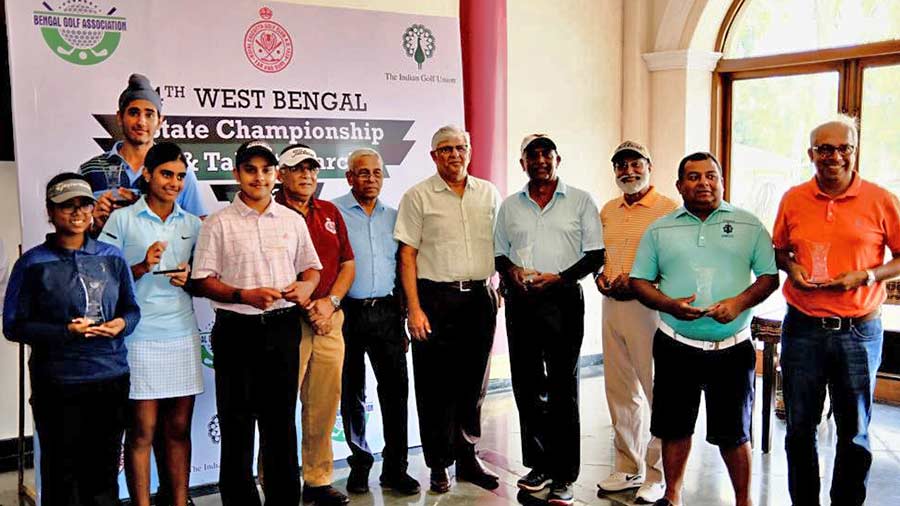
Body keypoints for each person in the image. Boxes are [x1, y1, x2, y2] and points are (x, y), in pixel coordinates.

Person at [629, 152, 779, 506]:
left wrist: (739, 303)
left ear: (722, 181)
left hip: (732, 348)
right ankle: (673, 495)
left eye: (711, 176)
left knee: (734, 433)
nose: (703, 183)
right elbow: (639, 281)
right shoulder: (660, 228)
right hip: (675, 344)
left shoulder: (749, 225)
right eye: (693, 177)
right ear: (680, 186)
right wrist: (669, 304)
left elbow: (769, 277)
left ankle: (743, 500)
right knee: (674, 427)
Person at [772, 115, 900, 506]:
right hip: (802, 327)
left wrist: (865, 276)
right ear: (811, 153)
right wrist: (791, 268)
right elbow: (780, 249)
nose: (834, 156)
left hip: (859, 330)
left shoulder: (880, 199)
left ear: (854, 151)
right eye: (825, 149)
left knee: (854, 430)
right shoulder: (794, 198)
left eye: (843, 148)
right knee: (798, 428)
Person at [191, 140, 321, 506]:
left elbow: (311, 267)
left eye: (266, 170)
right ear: (237, 174)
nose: (259, 177)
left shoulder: (292, 220)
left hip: (283, 328)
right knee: (236, 426)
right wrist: (241, 295)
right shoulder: (218, 223)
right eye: (250, 169)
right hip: (236, 329)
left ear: (276, 175)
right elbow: (202, 280)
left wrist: (307, 286)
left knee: (280, 425)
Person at [3, 173, 140, 506]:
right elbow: (13, 326)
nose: (77, 213)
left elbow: (132, 311)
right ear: (50, 212)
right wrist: (65, 332)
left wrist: (120, 323)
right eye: (67, 206)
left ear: (93, 209)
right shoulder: (33, 263)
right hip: (58, 384)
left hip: (109, 379)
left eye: (84, 205)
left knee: (104, 473)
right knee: (62, 477)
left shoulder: (112, 256)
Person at [494, 134, 604, 506]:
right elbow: (499, 253)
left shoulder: (581, 201)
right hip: (522, 302)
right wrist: (512, 274)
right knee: (526, 385)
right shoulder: (510, 206)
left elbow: (594, 255)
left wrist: (559, 278)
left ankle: (564, 474)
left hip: (563, 300)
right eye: (532, 155)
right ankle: (538, 465)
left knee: (562, 388)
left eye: (546, 154)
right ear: (522, 163)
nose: (540, 160)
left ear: (559, 159)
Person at [394, 125, 501, 494]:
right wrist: (414, 309)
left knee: (473, 385)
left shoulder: (487, 193)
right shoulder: (418, 196)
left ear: (469, 151)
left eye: (461, 147)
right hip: (434, 300)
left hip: (479, 300)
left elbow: (500, 244)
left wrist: (496, 288)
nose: (455, 154)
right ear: (434, 156)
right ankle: (439, 463)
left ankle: (468, 458)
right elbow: (407, 255)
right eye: (446, 149)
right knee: (434, 386)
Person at [98, 142, 203, 506]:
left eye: (179, 177)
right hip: (139, 337)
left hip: (182, 333)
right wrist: (142, 267)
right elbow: (103, 280)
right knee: (141, 432)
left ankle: (178, 501)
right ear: (147, 174)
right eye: (166, 174)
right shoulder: (122, 219)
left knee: (178, 430)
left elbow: (204, 279)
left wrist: (189, 278)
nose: (173, 183)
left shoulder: (192, 223)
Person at [270, 143, 354, 506]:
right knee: (278, 406)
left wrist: (330, 303)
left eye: (311, 169)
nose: (306, 175)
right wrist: (308, 305)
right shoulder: (270, 213)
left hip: (330, 319)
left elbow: (348, 264)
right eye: (297, 169)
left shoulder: (330, 211)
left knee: (322, 404)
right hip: (287, 321)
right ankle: (276, 479)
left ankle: (317, 480)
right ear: (280, 175)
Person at [334, 148, 420, 495]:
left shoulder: (395, 217)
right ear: (349, 177)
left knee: (396, 392)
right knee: (351, 393)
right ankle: (360, 463)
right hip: (347, 313)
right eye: (363, 173)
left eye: (376, 173)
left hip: (386, 312)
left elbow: (404, 268)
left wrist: (404, 315)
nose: (371, 179)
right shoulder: (334, 213)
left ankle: (396, 468)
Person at [596, 141, 678, 504]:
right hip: (612, 306)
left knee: (657, 391)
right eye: (621, 166)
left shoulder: (668, 209)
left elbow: (675, 261)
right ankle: (628, 467)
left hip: (650, 308)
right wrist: (600, 275)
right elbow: (601, 254)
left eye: (635, 164)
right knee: (619, 390)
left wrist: (644, 282)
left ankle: (658, 474)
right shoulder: (608, 209)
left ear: (649, 165)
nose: (628, 171)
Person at [81, 73, 207, 236]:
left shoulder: (179, 171)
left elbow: (199, 225)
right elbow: (73, 237)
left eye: (149, 114)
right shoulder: (90, 170)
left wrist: (145, 209)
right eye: (133, 113)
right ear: (119, 118)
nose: (141, 122)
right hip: (106, 261)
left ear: (160, 121)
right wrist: (95, 226)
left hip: (163, 261)